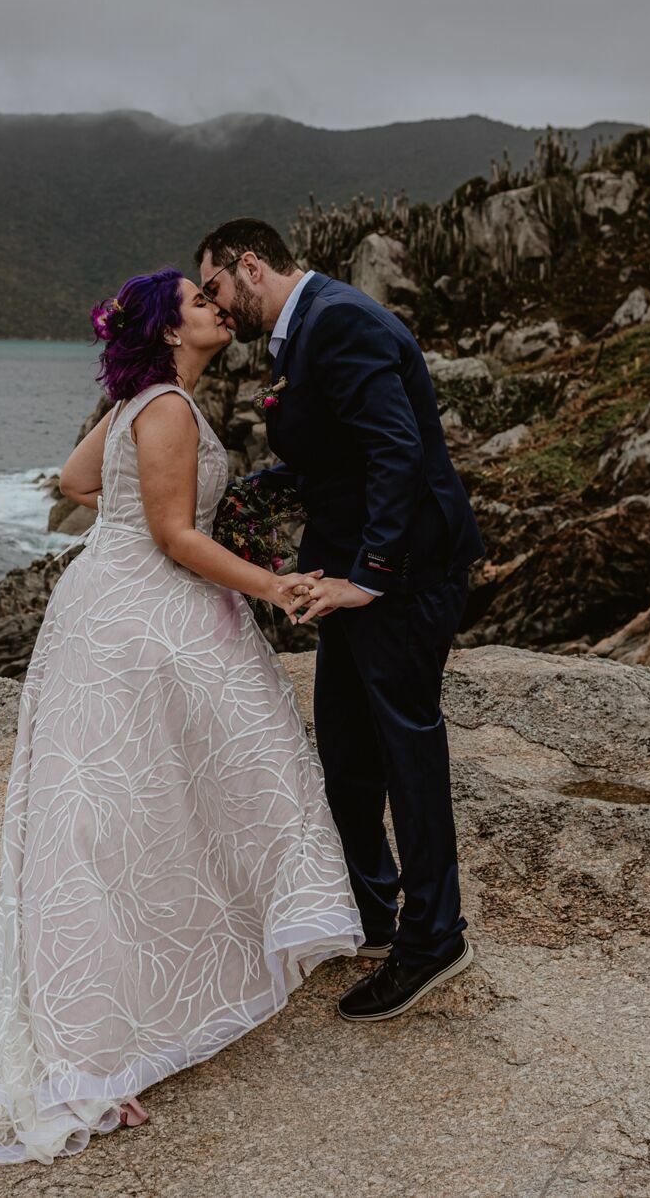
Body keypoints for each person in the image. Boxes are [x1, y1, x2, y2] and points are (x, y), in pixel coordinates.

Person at [0, 267, 363, 1165]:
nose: (216, 306)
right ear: (170, 332)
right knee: (147, 807)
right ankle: (97, 1042)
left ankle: (119, 1016)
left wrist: (129, 521)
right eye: (199, 303)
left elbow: (75, 478)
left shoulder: (144, 402)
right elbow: (174, 537)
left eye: (215, 297)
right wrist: (275, 588)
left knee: (119, 810)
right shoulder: (164, 408)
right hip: (146, 616)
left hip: (106, 605)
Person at [196, 218, 485, 1024]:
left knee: (406, 751)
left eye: (216, 287)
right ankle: (371, 910)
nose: (217, 308)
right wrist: (272, 486)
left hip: (403, 572)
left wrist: (371, 579)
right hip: (348, 566)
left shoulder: (343, 320)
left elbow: (397, 450)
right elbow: (347, 451)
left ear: (248, 266)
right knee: (348, 745)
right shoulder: (307, 326)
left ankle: (434, 940)